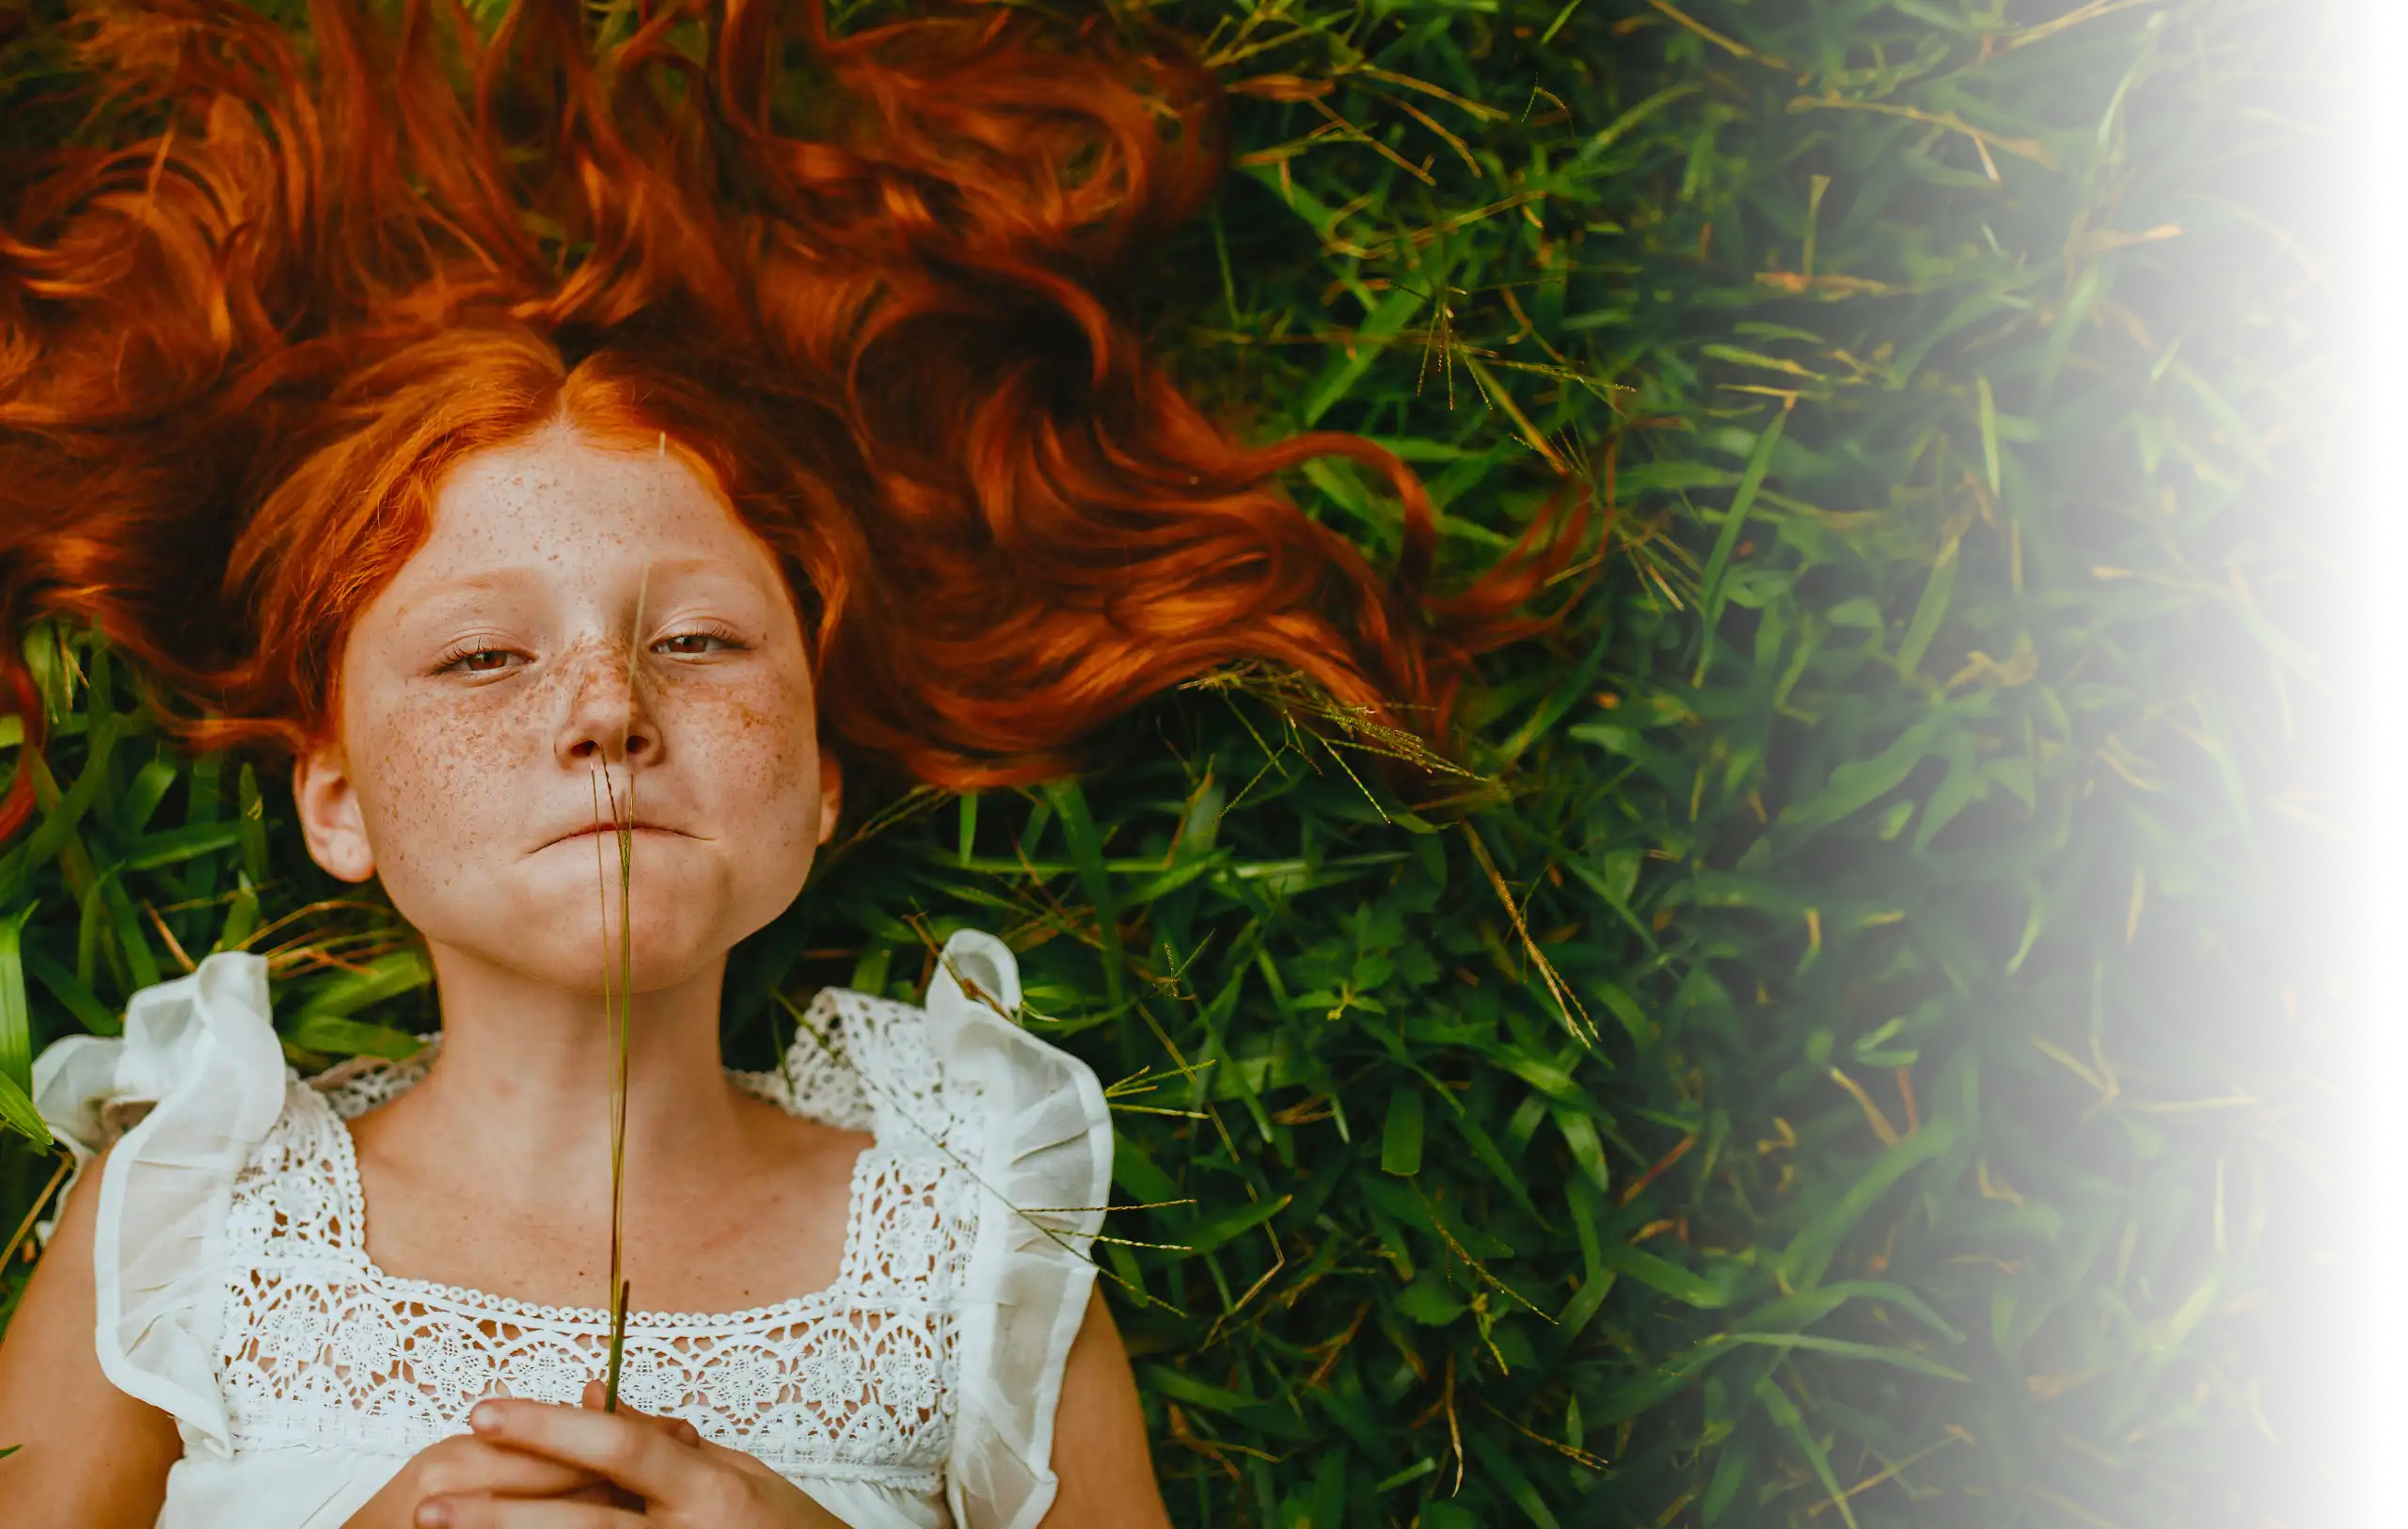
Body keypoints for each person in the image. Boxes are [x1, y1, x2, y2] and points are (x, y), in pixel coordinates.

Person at [0, 2, 1581, 1526]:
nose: (609, 708)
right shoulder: (193, 1210)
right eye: (485, 656)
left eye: (695, 642)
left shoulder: (965, 1235)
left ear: (823, 780)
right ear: (334, 801)